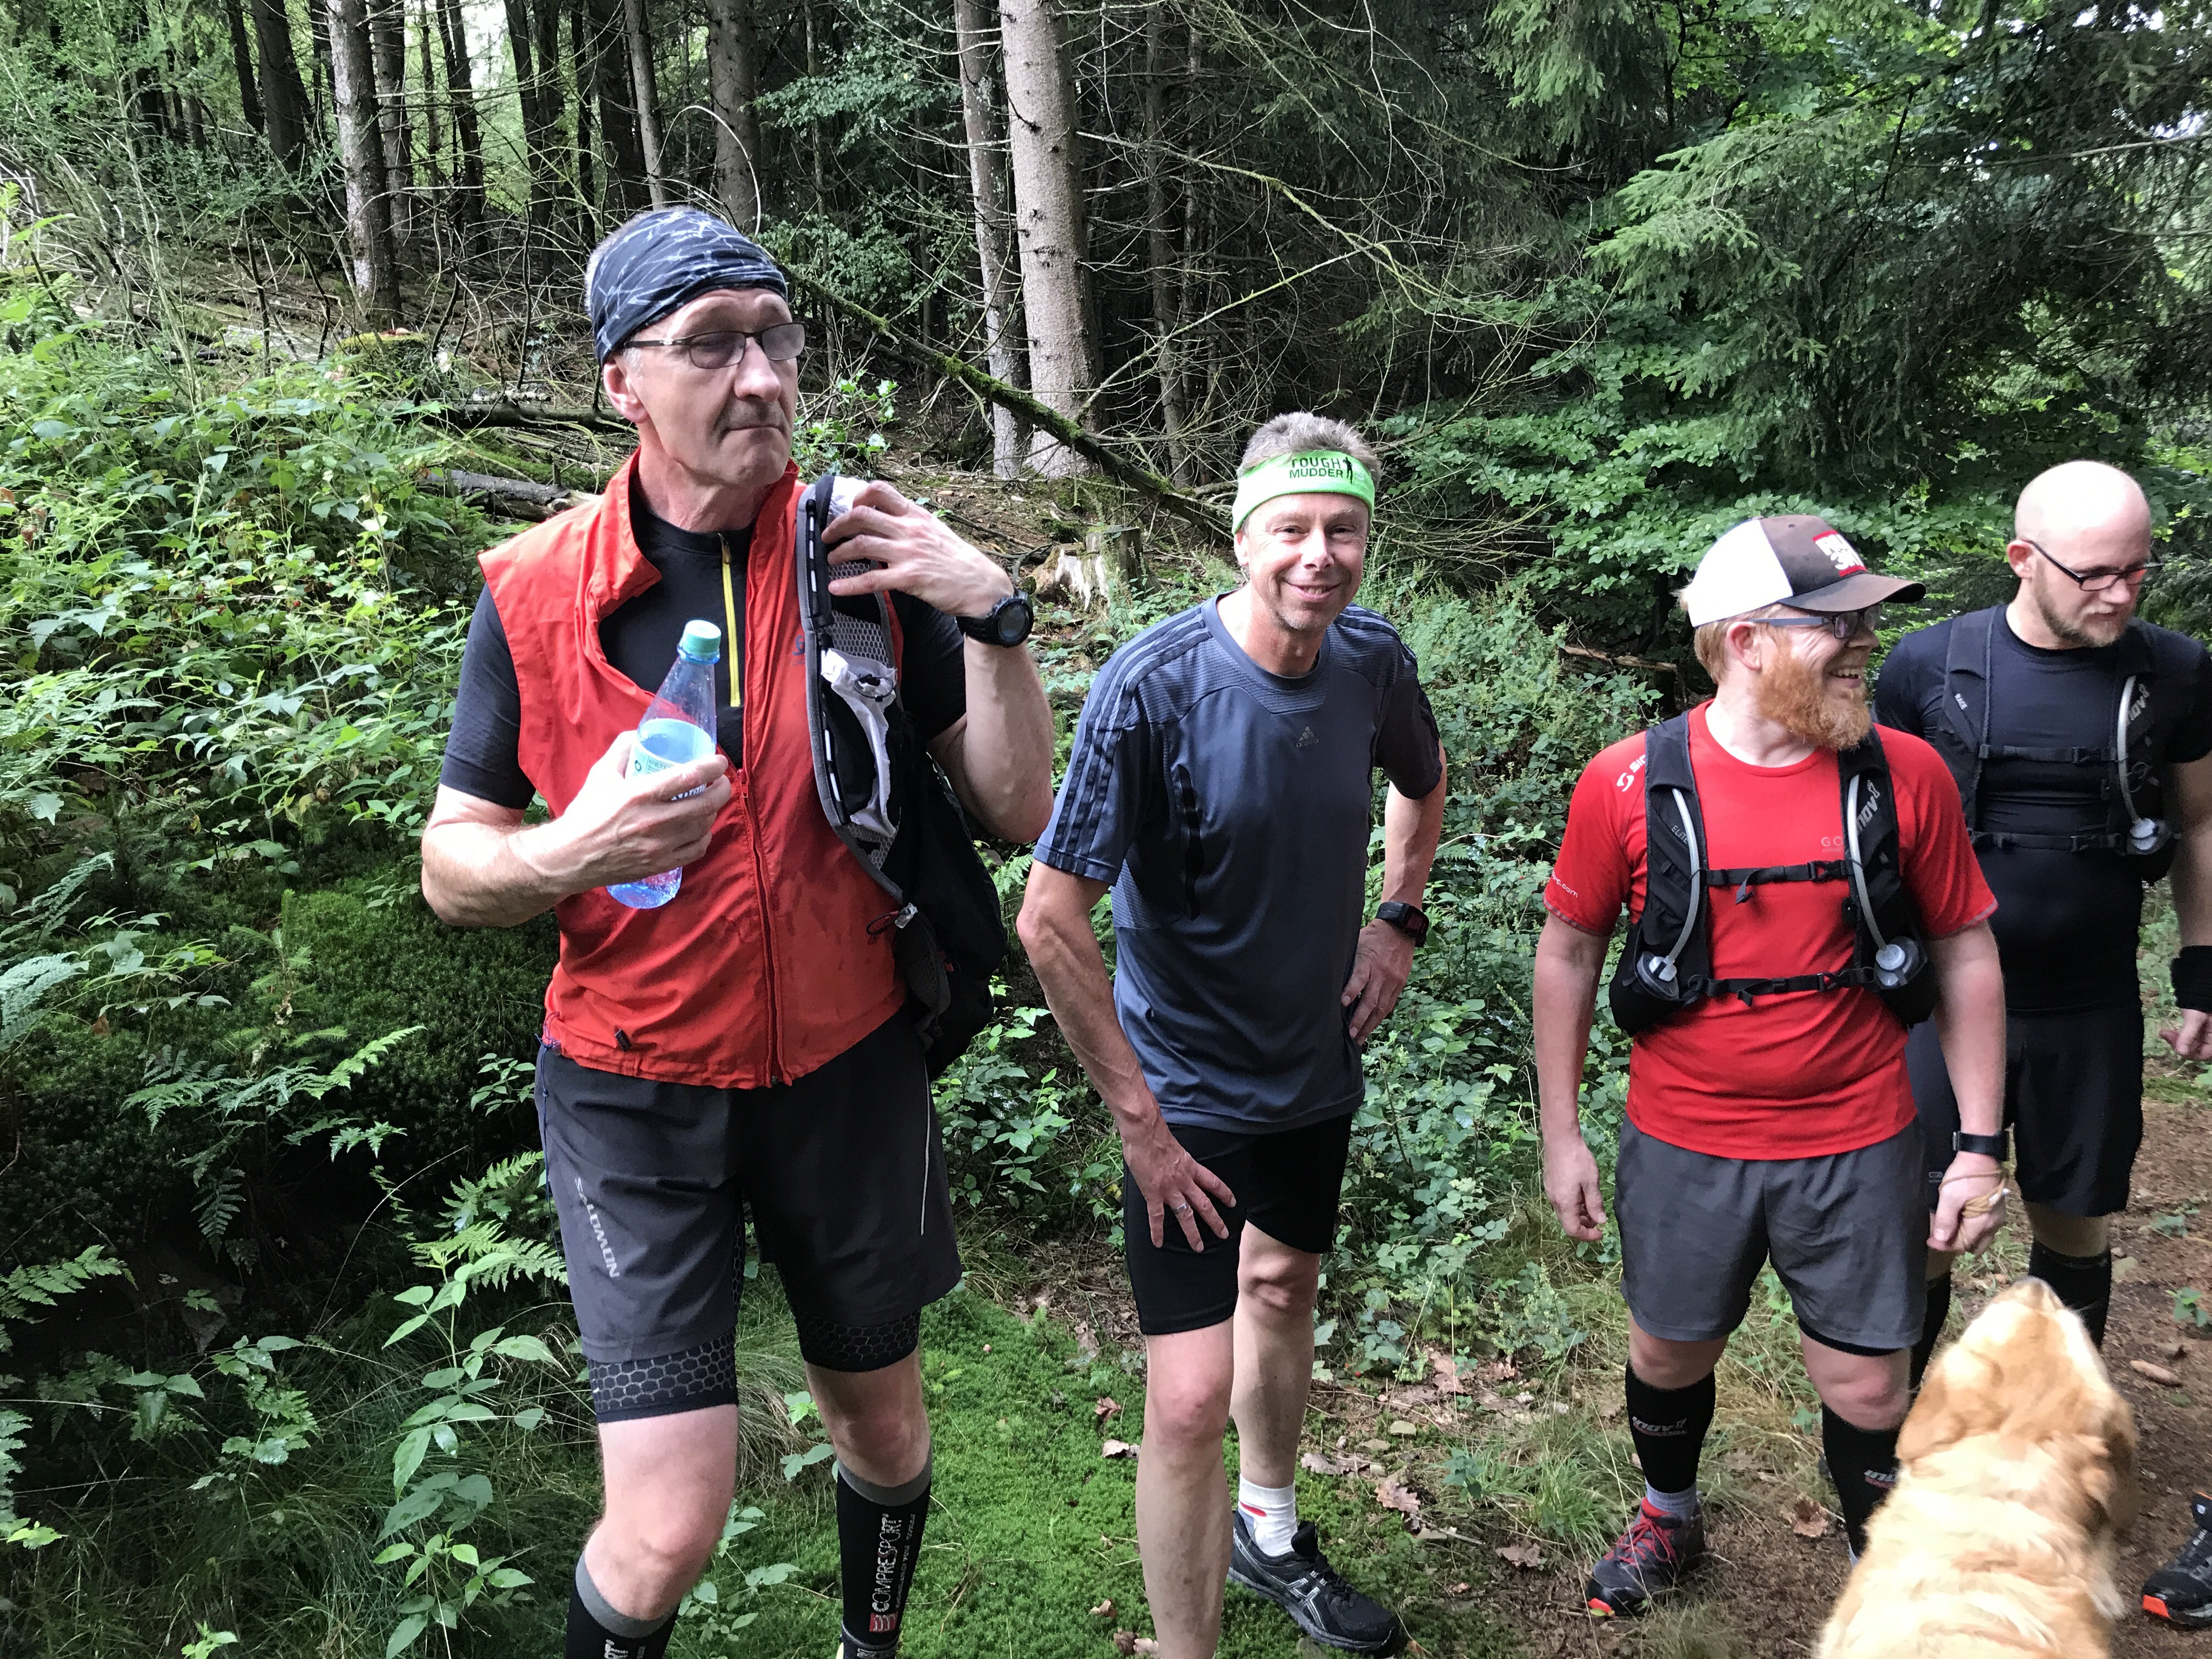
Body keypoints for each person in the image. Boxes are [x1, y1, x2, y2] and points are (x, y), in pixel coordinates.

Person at [417, 208, 1056, 1659]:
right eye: (712, 344)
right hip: (632, 1089)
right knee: (665, 1524)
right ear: (622, 382)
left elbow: (1019, 807)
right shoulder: (534, 591)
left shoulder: (866, 555)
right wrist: (570, 853)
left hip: (849, 1071)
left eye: (777, 338)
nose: (761, 375)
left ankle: (868, 1647)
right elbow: (452, 868)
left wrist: (995, 613)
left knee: (884, 1431)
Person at [1017, 414, 1446, 1657]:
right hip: (1187, 1097)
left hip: (1313, 1068)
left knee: (1286, 1284)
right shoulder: (1153, 688)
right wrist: (1140, 1124)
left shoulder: (1373, 664)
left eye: (1344, 530)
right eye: (1292, 528)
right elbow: (1049, 918)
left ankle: (1270, 1528)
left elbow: (1422, 783)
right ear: (1243, 537)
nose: (1320, 554)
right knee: (1189, 1396)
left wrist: (1396, 922)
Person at [1534, 516, 2010, 1617]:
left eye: (1867, 621)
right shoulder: (1626, 783)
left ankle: (1879, 1574)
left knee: (1869, 1384)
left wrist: (1980, 1146)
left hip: (1860, 1139)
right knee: (1669, 1353)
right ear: (1744, 641)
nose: (1865, 643)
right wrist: (1562, 1134)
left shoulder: (1906, 776)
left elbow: (1965, 951)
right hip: (1682, 1140)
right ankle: (1669, 1515)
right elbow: (1568, 952)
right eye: (1836, 625)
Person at [1871, 459, 2212, 1627]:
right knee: (1927, 1226)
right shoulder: (1928, 667)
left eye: (2137, 571)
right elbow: (1873, 827)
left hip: (2088, 1006)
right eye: (2096, 573)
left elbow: (2201, 821)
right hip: (1936, 1010)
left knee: (2075, 1222)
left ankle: (2059, 1448)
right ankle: (1897, 1448)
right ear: (2024, 560)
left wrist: (2202, 968)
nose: (2121, 593)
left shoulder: (2174, 672)